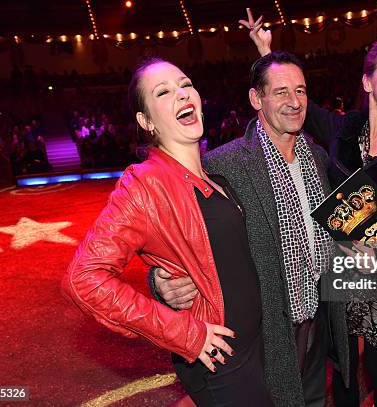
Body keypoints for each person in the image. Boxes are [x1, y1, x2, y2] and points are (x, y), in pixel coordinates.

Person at [243, 14, 377, 406]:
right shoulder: (343, 129)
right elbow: (290, 102)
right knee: (341, 373)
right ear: (367, 81)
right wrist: (266, 51)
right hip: (332, 271)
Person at [62, 57, 273, 407]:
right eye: (163, 92)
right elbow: (83, 278)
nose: (182, 94)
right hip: (220, 361)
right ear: (146, 122)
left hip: (255, 345)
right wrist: (184, 334)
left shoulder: (215, 175)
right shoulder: (144, 184)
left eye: (186, 84)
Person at [151, 50, 350, 406]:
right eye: (281, 92)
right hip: (267, 334)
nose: (294, 102)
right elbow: (176, 237)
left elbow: (342, 226)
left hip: (319, 319)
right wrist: (158, 280)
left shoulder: (318, 158)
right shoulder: (222, 166)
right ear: (256, 98)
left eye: (301, 91)